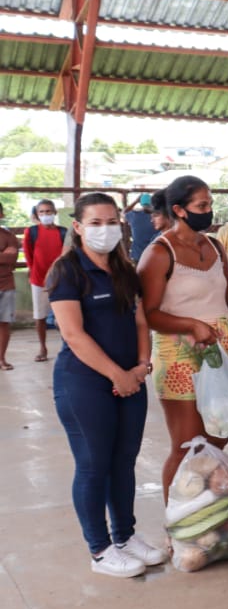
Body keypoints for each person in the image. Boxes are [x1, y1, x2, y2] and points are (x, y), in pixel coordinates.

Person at [48, 193, 164, 578]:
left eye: (111, 221)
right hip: (84, 383)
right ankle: (99, 549)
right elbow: (74, 335)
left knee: (123, 462)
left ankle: (125, 536)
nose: (105, 229)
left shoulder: (126, 271)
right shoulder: (67, 272)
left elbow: (141, 323)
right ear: (78, 227)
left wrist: (143, 366)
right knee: (94, 465)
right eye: (95, 223)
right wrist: (119, 375)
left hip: (132, 379)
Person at [137, 176, 228, 501]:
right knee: (186, 445)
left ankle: (209, 515)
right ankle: (178, 525)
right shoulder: (159, 253)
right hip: (178, 354)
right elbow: (148, 314)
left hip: (222, 352)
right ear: (179, 209)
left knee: (218, 436)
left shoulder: (213, 245)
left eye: (210, 204)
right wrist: (190, 325)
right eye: (202, 206)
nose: (209, 211)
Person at [23, 199, 68, 363]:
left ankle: (68, 344)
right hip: (38, 279)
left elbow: (67, 255)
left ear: (55, 213)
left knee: (64, 315)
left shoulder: (63, 232)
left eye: (48, 211)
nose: (45, 215)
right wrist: (34, 273)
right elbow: (28, 256)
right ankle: (43, 347)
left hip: (61, 279)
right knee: (39, 316)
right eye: (41, 212)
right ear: (37, 215)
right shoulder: (32, 232)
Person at [0, 214, 17, 370]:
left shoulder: (9, 236)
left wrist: (7, 256)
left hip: (6, 285)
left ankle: (2, 359)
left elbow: (12, 259)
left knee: (4, 323)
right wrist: (4, 254)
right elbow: (7, 257)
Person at [126, 193, 158, 263]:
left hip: (138, 255)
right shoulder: (158, 217)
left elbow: (123, 212)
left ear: (140, 203)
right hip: (155, 255)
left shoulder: (134, 215)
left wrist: (135, 201)